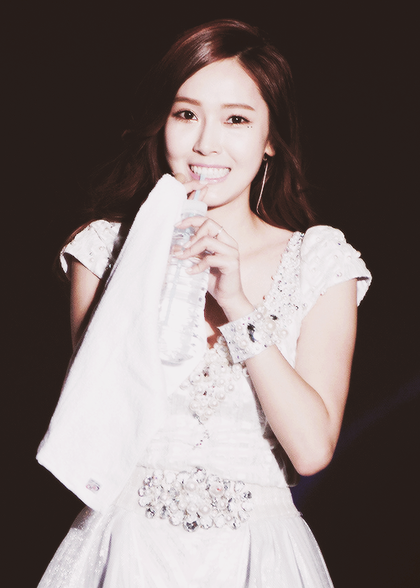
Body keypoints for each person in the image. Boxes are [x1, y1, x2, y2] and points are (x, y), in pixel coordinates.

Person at [37, 19, 371, 587]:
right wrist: (148, 261)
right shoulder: (104, 249)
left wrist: (236, 301)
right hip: (125, 549)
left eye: (236, 119)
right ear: (162, 124)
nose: (206, 143)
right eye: (186, 114)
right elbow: (94, 425)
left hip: (257, 557)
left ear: (270, 137)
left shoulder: (320, 261)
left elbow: (312, 449)